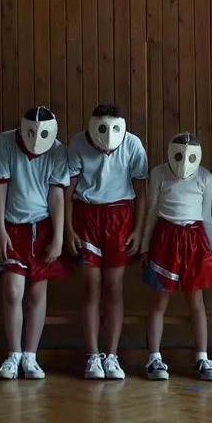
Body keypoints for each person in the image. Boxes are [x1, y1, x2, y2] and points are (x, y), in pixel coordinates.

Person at [65, 104, 149, 380]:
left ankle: (111, 356)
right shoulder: (78, 143)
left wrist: (138, 229)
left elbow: (141, 191)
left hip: (120, 216)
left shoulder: (133, 144)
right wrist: (69, 229)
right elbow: (67, 190)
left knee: (114, 287)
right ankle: (92, 356)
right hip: (87, 215)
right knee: (91, 286)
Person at [0, 106, 71, 380]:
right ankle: (13, 354)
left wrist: (59, 236)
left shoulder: (59, 150)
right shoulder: (4, 143)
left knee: (37, 293)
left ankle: (30, 356)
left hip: (43, 227)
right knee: (13, 291)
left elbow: (57, 195)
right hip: (13, 227)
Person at [141, 133, 212, 382]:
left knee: (196, 302)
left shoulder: (205, 177)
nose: (184, 161)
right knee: (159, 301)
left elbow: (207, 216)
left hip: (195, 240)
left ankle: (202, 357)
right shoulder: (158, 174)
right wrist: (145, 246)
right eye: (179, 155)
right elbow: (152, 211)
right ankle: (154, 357)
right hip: (165, 238)